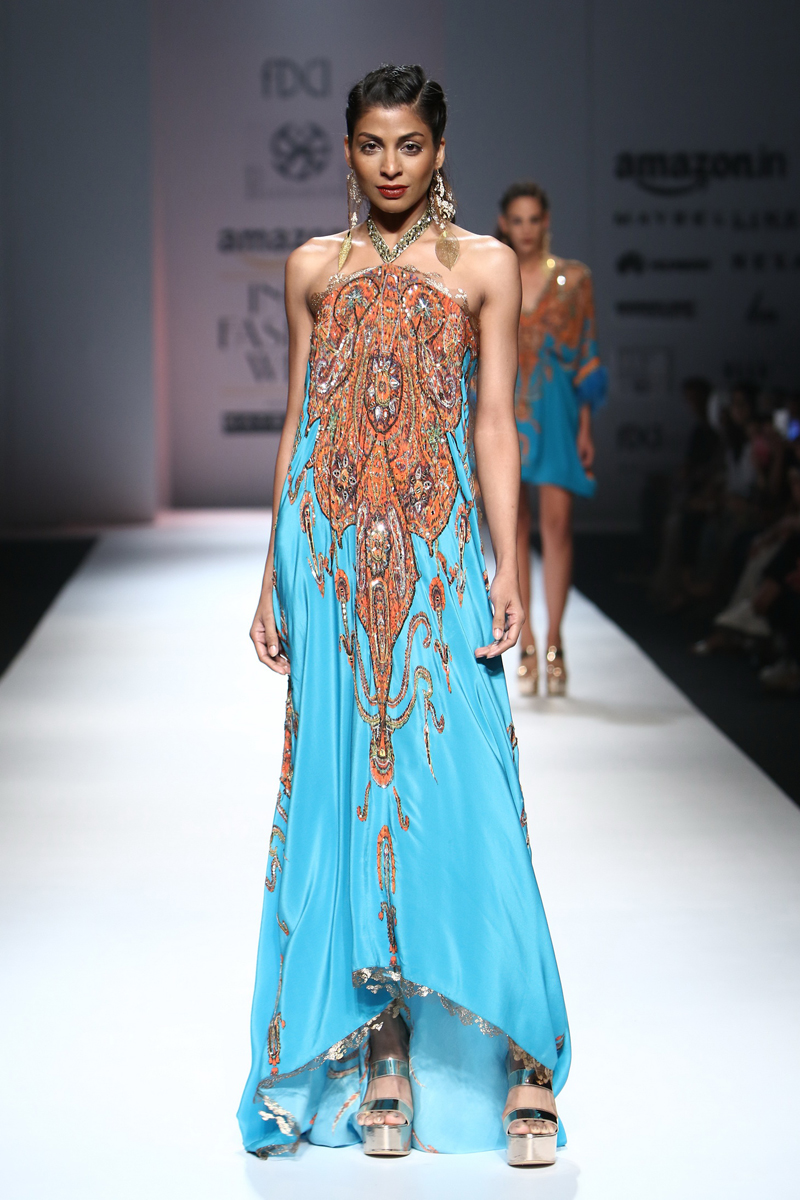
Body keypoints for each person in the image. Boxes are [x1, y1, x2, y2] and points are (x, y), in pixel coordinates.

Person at [237, 65, 570, 1165]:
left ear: (440, 149)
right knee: (347, 798)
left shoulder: (484, 265)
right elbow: (298, 421)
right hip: (328, 553)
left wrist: (506, 564)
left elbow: (494, 424)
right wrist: (271, 571)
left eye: (410, 145)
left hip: (436, 553)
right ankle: (381, 1044)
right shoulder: (312, 267)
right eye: (372, 145)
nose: (391, 166)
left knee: (473, 789)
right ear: (346, 150)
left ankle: (522, 1051)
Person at [497, 182, 606, 696]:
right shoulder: (493, 272)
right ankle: (525, 642)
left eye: (534, 219)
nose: (526, 229)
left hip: (558, 410)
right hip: (506, 409)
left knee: (558, 526)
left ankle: (556, 639)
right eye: (517, 220)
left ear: (546, 222)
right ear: (505, 223)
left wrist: (586, 427)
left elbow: (587, 352)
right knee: (513, 527)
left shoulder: (574, 280)